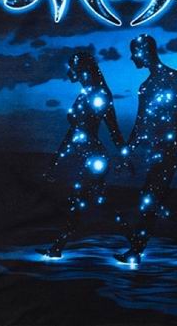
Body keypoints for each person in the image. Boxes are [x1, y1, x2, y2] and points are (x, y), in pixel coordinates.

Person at [115, 34, 177, 265]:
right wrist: (128, 153)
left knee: (150, 197)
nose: (132, 58)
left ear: (144, 52)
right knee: (154, 199)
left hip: (171, 148)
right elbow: (140, 124)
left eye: (134, 53)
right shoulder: (146, 87)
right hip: (156, 150)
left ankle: (137, 250)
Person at [36, 50, 127, 258]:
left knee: (82, 202)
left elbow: (113, 129)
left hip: (94, 159)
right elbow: (73, 132)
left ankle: (58, 247)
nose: (70, 72)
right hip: (86, 158)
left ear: (84, 69)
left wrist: (124, 155)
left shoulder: (100, 95)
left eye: (74, 67)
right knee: (95, 202)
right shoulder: (86, 94)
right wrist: (56, 161)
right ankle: (134, 238)